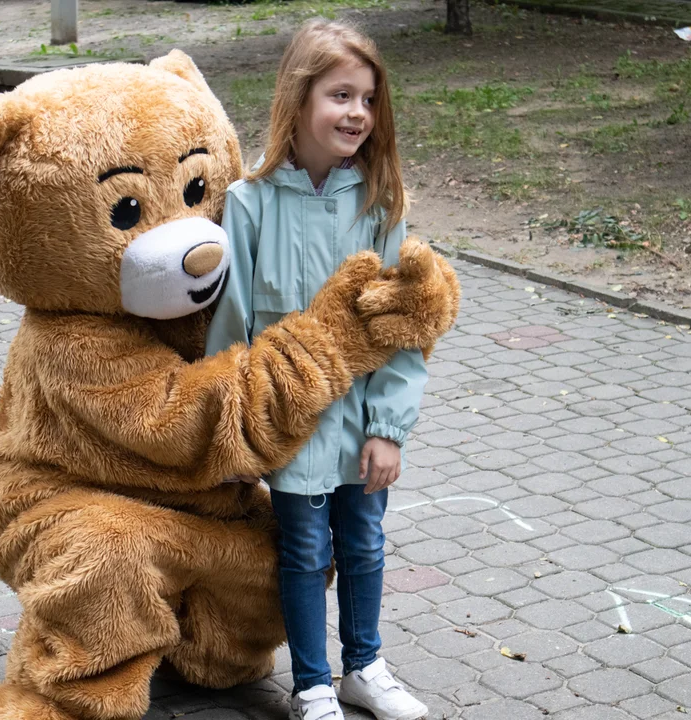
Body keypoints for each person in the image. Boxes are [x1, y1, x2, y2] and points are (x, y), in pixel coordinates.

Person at [204, 18, 432, 720]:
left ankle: (364, 665)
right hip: (291, 429)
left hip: (362, 423)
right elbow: (229, 329)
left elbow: (405, 330)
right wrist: (237, 435)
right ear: (299, 99)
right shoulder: (250, 205)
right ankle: (311, 684)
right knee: (303, 552)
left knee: (363, 544)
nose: (358, 113)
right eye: (341, 95)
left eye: (368, 99)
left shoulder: (379, 205)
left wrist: (389, 427)